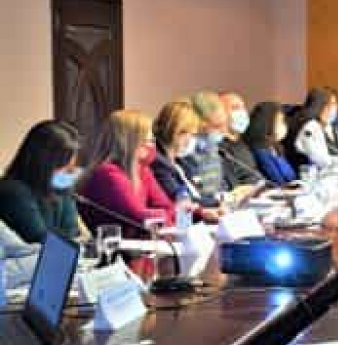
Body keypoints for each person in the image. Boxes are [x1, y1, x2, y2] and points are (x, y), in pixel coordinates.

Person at [80, 110, 175, 238]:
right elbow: (137, 215)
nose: (152, 145)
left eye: (152, 140)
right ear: (130, 141)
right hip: (111, 247)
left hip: (136, 244)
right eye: (148, 140)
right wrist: (163, 215)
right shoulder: (106, 173)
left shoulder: (142, 169)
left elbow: (167, 207)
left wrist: (164, 214)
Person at [0, 121, 82, 243]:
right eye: (64, 163)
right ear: (43, 162)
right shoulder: (13, 192)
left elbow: (73, 231)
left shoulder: (58, 184)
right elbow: (42, 239)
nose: (70, 170)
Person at [150, 101, 223, 222]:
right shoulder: (158, 162)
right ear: (175, 131)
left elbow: (199, 192)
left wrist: (221, 201)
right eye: (190, 133)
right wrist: (217, 203)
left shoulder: (181, 161)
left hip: (197, 218)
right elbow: (180, 198)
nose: (191, 139)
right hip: (183, 222)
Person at [287, 87, 338, 170]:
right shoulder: (310, 127)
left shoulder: (330, 127)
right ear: (318, 105)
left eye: (334, 104)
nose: (332, 108)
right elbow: (320, 160)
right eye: (328, 105)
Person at [245, 102, 297, 185]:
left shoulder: (275, 146)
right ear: (268, 122)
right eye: (280, 121)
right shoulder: (259, 149)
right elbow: (277, 180)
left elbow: (291, 176)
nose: (284, 125)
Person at [219, 92, 262, 187]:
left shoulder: (243, 143)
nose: (242, 112)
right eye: (235, 108)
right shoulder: (220, 149)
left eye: (243, 107)